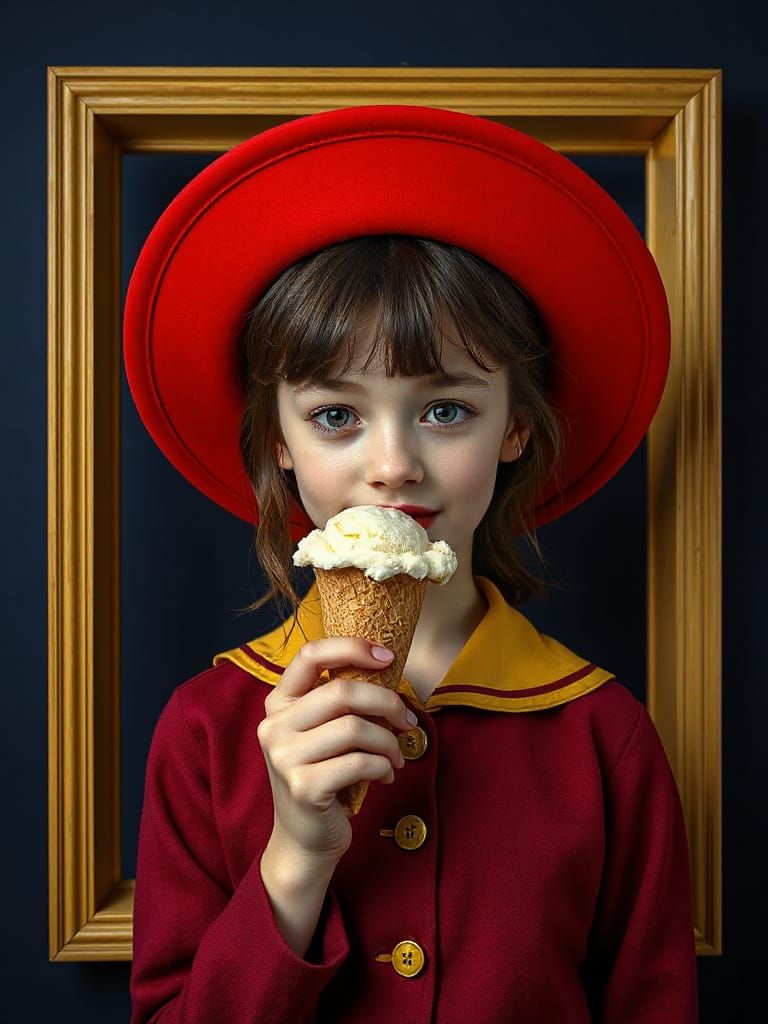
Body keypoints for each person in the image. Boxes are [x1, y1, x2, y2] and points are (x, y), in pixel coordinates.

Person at [123, 105, 699, 1023]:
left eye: (444, 410)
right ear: (276, 436)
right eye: (336, 415)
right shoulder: (205, 730)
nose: (391, 463)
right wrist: (297, 858)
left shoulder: (603, 736)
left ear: (515, 424)